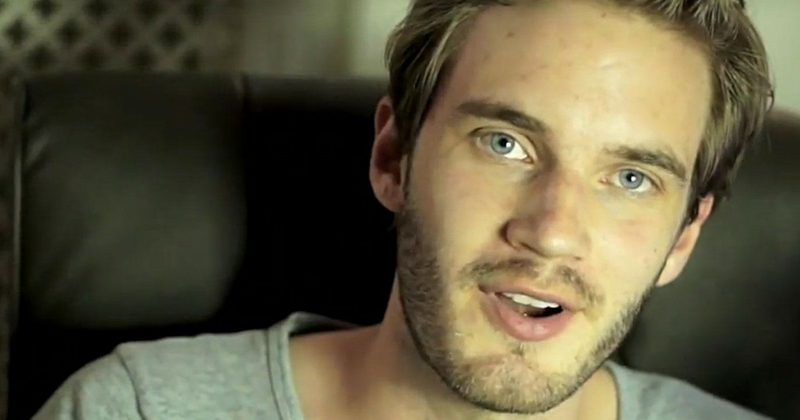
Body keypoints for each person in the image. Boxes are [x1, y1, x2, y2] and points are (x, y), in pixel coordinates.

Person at [33, 0, 775, 419]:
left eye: (632, 178)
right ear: (394, 157)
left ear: (684, 238)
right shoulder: (138, 409)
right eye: (506, 143)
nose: (551, 233)